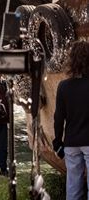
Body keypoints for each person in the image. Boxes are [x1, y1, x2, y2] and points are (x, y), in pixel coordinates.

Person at [53, 41, 89, 200]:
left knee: (73, 187)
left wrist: (57, 142)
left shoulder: (63, 86)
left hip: (71, 142)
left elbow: (58, 117)